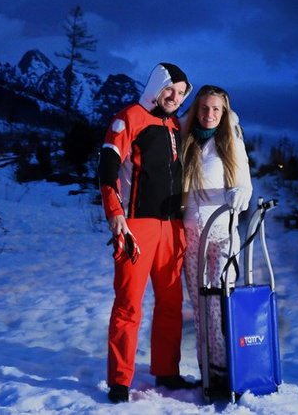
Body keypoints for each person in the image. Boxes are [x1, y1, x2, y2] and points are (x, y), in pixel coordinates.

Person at [98, 62, 198, 403]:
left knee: (171, 303)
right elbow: (107, 168)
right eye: (170, 88)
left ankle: (167, 371)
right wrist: (115, 214)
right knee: (129, 304)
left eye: (182, 93)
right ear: (157, 85)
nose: (174, 97)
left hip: (172, 228)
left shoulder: (174, 125)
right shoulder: (129, 117)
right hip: (136, 226)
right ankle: (120, 380)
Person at [179, 85, 252, 398]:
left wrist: (240, 196)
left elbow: (245, 187)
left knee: (220, 302)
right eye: (204, 108)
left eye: (216, 109)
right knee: (200, 305)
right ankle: (208, 373)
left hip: (222, 231)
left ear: (224, 114)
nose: (209, 114)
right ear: (195, 109)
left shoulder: (231, 140)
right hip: (192, 233)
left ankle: (228, 369)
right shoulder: (186, 140)